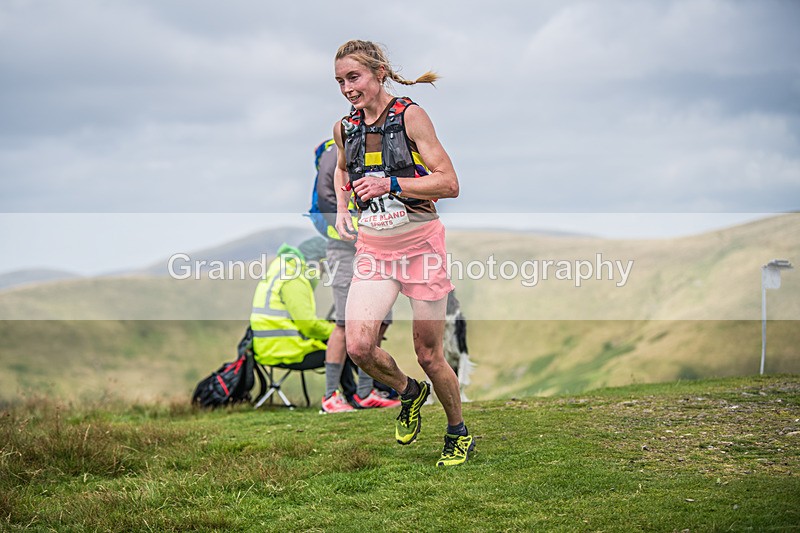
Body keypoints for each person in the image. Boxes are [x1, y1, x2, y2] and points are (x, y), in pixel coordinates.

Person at [331, 39, 474, 466]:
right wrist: (342, 209)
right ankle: (409, 392)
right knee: (358, 345)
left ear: (378, 72)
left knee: (429, 354)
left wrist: (391, 184)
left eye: (353, 78)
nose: (346, 88)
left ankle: (457, 430)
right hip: (374, 248)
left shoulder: (411, 116)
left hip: (420, 245)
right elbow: (342, 169)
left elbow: (449, 184)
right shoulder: (345, 127)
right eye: (339, 81)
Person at [314, 139, 400, 411]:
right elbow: (328, 199)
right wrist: (355, 232)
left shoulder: (377, 144)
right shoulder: (336, 151)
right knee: (343, 322)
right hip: (345, 247)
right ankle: (330, 396)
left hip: (374, 248)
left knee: (380, 320)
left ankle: (365, 391)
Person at [249, 237, 348, 411]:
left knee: (340, 340)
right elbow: (308, 326)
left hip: (268, 348)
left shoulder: (281, 269)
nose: (323, 273)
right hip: (286, 350)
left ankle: (355, 395)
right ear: (314, 262)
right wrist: (337, 330)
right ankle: (356, 396)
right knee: (343, 344)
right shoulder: (294, 278)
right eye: (323, 267)